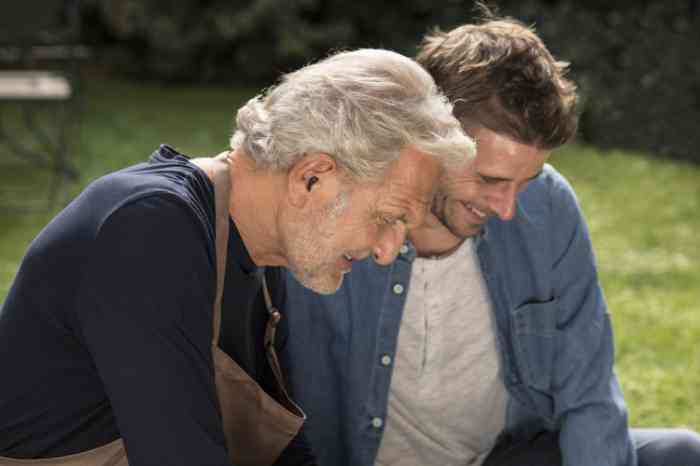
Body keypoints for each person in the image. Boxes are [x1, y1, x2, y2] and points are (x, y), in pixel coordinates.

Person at [0, 49, 475, 466]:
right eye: (388, 217)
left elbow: (285, 455)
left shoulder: (264, 262)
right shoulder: (148, 229)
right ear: (311, 177)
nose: (388, 250)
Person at [278, 13, 700, 466]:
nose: (507, 208)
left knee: (681, 453)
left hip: (503, 457)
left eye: (525, 181)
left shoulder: (548, 203)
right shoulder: (336, 209)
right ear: (428, 137)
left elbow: (588, 389)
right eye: (490, 179)